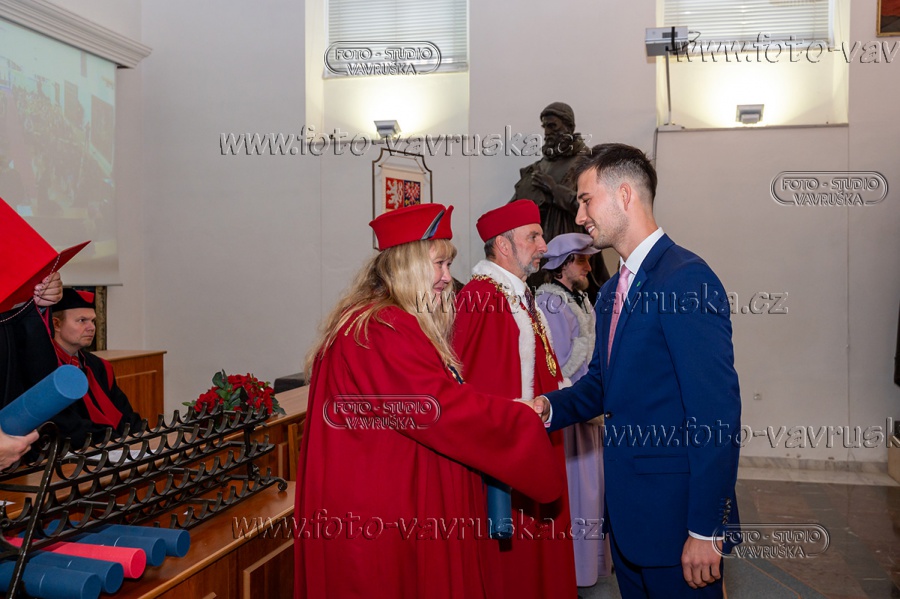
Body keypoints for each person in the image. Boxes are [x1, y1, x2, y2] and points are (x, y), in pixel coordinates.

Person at [294, 203, 565, 599]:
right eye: (439, 265)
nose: (447, 278)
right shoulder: (381, 329)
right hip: (382, 511)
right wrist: (518, 418)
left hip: (395, 494)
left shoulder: (388, 320)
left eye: (448, 265)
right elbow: (438, 409)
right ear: (407, 265)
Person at [535, 143, 741, 598]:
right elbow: (604, 385)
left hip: (678, 526)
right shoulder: (612, 292)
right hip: (630, 521)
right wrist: (547, 407)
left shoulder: (685, 279)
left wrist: (707, 528)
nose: (580, 216)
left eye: (586, 200)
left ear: (624, 195)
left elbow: (716, 414)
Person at [453, 199, 578, 599]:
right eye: (534, 236)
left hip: (534, 438)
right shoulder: (480, 297)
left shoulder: (519, 294)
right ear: (503, 245)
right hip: (506, 453)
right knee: (512, 562)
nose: (544, 245)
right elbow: (468, 382)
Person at [535, 232, 612, 586]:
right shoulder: (550, 302)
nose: (588, 267)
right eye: (580, 260)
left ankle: (591, 564)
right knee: (579, 488)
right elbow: (559, 365)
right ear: (562, 266)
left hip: (588, 408)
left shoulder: (578, 298)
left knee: (593, 486)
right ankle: (577, 569)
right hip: (572, 410)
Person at [512, 102, 609, 295]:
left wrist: (555, 190)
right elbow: (516, 207)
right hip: (540, 251)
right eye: (545, 127)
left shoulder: (586, 162)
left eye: (553, 126)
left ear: (569, 127)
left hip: (572, 251)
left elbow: (595, 208)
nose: (547, 132)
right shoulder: (539, 166)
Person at [44, 288, 142, 448]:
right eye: (82, 320)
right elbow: (67, 426)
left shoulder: (99, 366)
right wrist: (114, 441)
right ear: (56, 324)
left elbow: (125, 413)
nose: (91, 327)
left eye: (93, 321)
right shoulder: (45, 368)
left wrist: (140, 436)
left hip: (114, 446)